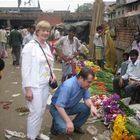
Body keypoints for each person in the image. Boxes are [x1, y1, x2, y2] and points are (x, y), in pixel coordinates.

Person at [21, 20, 56, 140]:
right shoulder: (29, 47)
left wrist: (53, 74)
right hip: (33, 86)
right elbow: (25, 70)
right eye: (43, 30)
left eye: (48, 30)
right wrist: (28, 89)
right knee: (34, 112)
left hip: (44, 84)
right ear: (37, 31)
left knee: (41, 111)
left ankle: (36, 133)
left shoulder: (46, 46)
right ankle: (31, 136)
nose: (46, 33)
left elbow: (49, 63)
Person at [50, 67, 99, 135]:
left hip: (70, 106)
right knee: (64, 129)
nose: (90, 84)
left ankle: (75, 126)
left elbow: (87, 98)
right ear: (81, 78)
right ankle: (55, 126)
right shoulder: (68, 86)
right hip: (57, 108)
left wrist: (92, 106)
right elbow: (59, 106)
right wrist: (68, 122)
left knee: (87, 108)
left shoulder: (84, 85)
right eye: (89, 82)